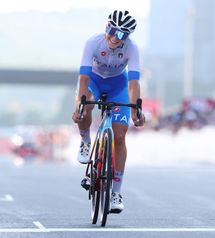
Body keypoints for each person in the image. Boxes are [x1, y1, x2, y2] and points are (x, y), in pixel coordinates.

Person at [72, 10, 145, 214]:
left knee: (120, 137)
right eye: (111, 30)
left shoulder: (132, 49)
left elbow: (133, 83)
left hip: (117, 86)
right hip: (93, 80)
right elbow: (84, 78)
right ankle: (86, 141)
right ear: (107, 27)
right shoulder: (93, 43)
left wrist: (136, 110)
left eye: (121, 34)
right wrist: (79, 103)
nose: (113, 37)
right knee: (86, 104)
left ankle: (116, 193)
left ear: (127, 37)